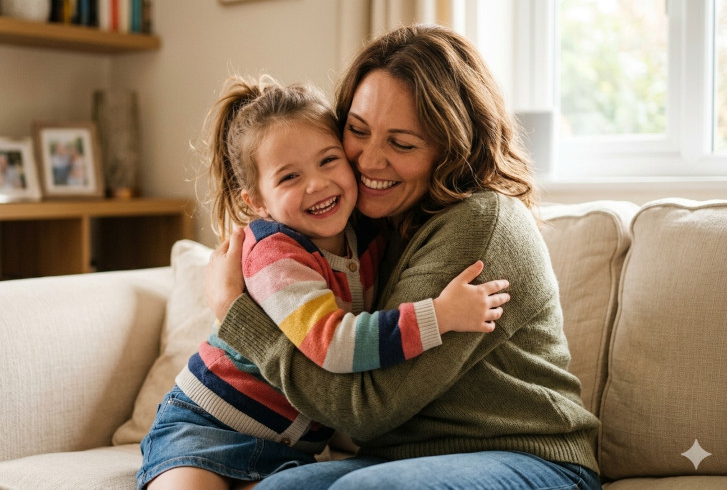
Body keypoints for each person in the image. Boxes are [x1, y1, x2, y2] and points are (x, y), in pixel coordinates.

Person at [204, 25, 602, 490]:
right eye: (357, 130)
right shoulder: (365, 225)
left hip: (529, 458)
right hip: (399, 461)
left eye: (403, 144)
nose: (369, 161)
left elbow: (363, 410)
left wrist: (237, 314)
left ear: (453, 148)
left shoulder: (480, 223)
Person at [137, 75, 511, 490]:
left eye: (328, 160)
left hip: (287, 450)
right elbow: (334, 345)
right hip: (208, 426)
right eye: (289, 177)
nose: (316, 183)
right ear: (258, 202)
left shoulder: (366, 236)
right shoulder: (274, 254)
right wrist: (438, 316)